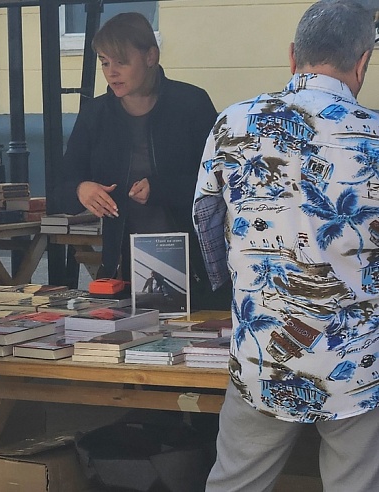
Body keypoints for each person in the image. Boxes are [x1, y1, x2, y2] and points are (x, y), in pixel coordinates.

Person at [194, 1, 379, 490]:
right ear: (363, 62)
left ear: (292, 55)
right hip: (356, 360)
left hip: (262, 353)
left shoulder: (231, 125)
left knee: (235, 480)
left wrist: (234, 288)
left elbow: (206, 222)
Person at [56, 12, 230, 310]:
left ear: (151, 56)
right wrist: (81, 189)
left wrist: (160, 188)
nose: (111, 73)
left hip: (197, 270)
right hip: (121, 270)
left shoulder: (191, 103)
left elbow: (221, 182)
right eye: (104, 62)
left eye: (121, 62)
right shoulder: (95, 115)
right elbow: (60, 187)